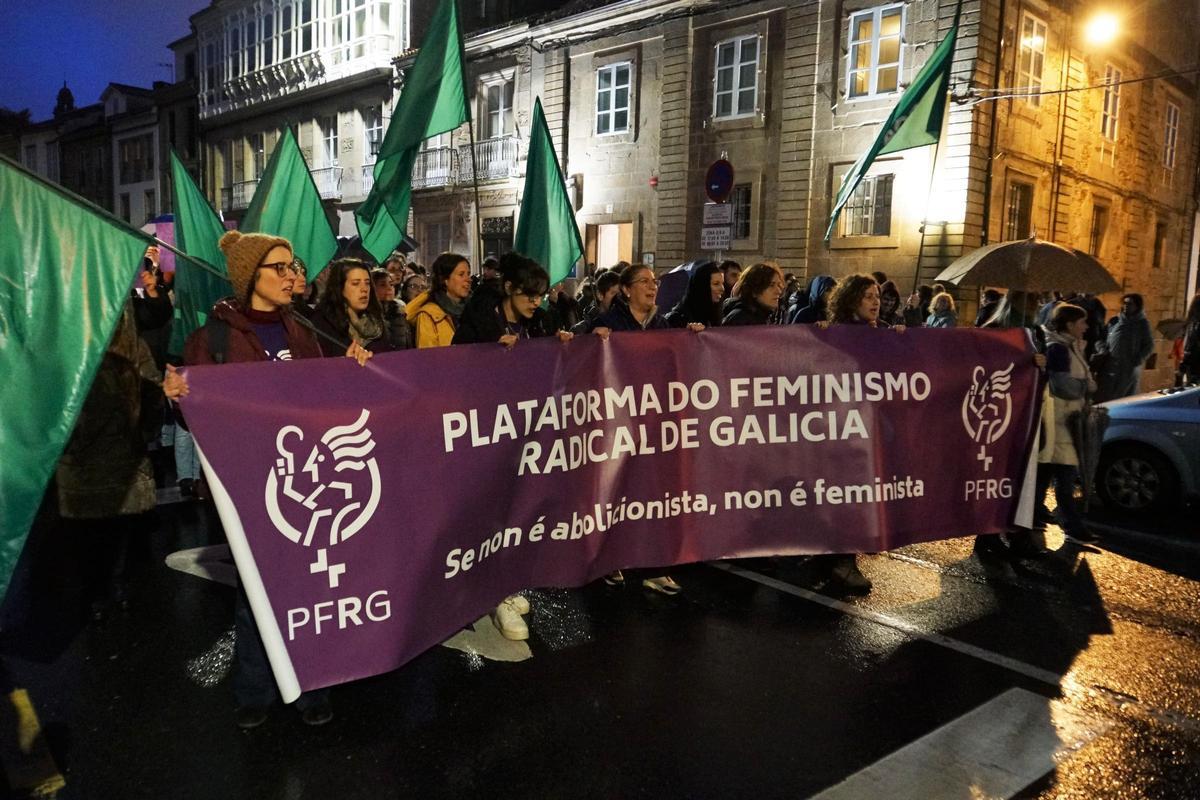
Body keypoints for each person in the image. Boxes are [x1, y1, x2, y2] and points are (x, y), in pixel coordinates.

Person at [165, 231, 372, 730]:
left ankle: (311, 685)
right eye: (278, 267)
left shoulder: (305, 330)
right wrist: (176, 396)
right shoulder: (212, 339)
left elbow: (327, 398)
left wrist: (354, 368)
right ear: (248, 275)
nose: (290, 275)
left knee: (308, 590)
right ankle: (255, 688)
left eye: (292, 266)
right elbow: (196, 420)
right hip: (248, 487)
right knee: (256, 591)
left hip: (308, 480)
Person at [450, 253, 571, 639]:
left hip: (525, 432)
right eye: (528, 295)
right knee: (490, 514)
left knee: (518, 510)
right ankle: (491, 595)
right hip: (485, 433)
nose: (536, 302)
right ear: (508, 290)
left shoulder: (541, 322)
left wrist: (563, 344)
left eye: (540, 295)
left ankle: (504, 585)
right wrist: (488, 353)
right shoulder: (479, 322)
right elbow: (452, 368)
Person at [590, 265, 700, 595]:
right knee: (617, 492)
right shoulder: (607, 322)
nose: (652, 287)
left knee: (654, 494)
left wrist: (693, 339)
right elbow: (584, 362)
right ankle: (611, 560)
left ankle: (655, 567)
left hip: (652, 424)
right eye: (644, 282)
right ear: (626, 290)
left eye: (655, 282)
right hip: (616, 423)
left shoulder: (662, 325)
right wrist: (592, 341)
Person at [57, 302, 161, 621]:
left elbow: (151, 391)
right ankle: (106, 591)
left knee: (106, 536)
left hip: (110, 463)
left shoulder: (127, 348)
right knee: (102, 537)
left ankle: (104, 592)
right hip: (99, 464)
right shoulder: (74, 349)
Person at [805, 275, 905, 594]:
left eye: (877, 295)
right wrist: (818, 336)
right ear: (851, 300)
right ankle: (841, 562)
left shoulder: (883, 333)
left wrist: (902, 342)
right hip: (840, 428)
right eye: (867, 296)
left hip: (868, 427)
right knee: (843, 493)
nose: (876, 302)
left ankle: (836, 557)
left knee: (856, 494)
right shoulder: (832, 334)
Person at [1037, 304, 1098, 543]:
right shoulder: (1059, 349)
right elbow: (1062, 385)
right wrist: (1086, 386)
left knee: (1046, 472)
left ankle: (1033, 515)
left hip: (1066, 420)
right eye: (1082, 322)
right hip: (1062, 421)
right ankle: (1072, 526)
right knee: (1065, 477)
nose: (1086, 327)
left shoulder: (1069, 346)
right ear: (1070, 324)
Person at [311, 259, 403, 356]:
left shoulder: (377, 320)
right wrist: (345, 362)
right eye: (355, 283)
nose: (364, 289)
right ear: (339, 287)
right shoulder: (322, 323)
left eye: (367, 283)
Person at [1095, 293, 1154, 401]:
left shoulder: (1142, 324)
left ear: (1137, 306)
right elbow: (1100, 339)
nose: (1126, 306)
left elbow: (1149, 345)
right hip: (1110, 366)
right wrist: (1102, 349)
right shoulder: (1114, 321)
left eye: (1130, 304)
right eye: (1125, 303)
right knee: (1105, 397)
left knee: (1124, 398)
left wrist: (1138, 360)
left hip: (1128, 369)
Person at [406, 252, 471, 348]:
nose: (468, 279)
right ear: (445, 280)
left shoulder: (474, 310)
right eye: (461, 275)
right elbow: (428, 354)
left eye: (468, 274)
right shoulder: (428, 315)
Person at [665, 261, 725, 328]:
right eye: (716, 284)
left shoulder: (716, 314)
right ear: (702, 287)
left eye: (722, 283)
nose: (722, 289)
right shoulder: (677, 319)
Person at [371, 267, 413, 350]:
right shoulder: (368, 315)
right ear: (372, 288)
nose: (389, 288)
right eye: (383, 285)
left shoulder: (400, 312)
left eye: (391, 284)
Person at [1179, 293, 1200, 385]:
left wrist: (1183, 365)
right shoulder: (1194, 324)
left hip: (1194, 365)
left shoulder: (1193, 324)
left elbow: (1190, 345)